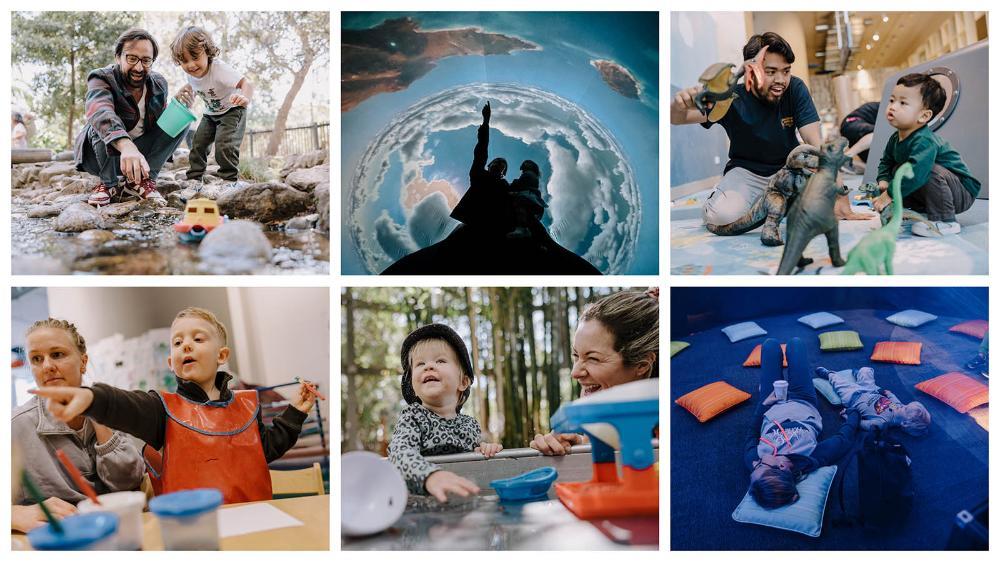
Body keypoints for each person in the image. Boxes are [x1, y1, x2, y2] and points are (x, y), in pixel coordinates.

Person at [30, 307, 316, 505]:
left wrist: (296, 412)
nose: (185, 346)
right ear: (171, 363)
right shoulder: (159, 408)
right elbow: (126, 405)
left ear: (222, 355)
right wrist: (92, 398)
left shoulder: (248, 403)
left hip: (256, 521)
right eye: (177, 342)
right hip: (194, 529)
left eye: (198, 338)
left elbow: (265, 451)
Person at [671, 32, 868, 228]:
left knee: (817, 207)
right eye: (771, 71)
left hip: (789, 171)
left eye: (786, 71)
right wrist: (679, 105)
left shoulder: (795, 88)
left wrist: (839, 192)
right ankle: (732, 197)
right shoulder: (730, 98)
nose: (781, 80)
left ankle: (777, 203)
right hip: (747, 173)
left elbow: (815, 143)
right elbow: (679, 118)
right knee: (720, 217)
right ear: (750, 70)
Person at [12, 319, 144, 533]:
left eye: (57, 354)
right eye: (36, 359)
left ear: (83, 362)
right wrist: (14, 514)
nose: (47, 366)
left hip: (116, 532)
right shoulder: (15, 427)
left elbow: (128, 482)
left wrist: (99, 416)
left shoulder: (110, 409)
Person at [530, 288, 659, 455]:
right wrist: (580, 445)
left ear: (641, 365)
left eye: (593, 359)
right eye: (576, 355)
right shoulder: (603, 425)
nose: (575, 373)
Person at [389, 324, 503, 503]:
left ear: (463, 382)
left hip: (464, 501)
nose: (429, 366)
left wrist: (486, 449)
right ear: (412, 386)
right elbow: (399, 453)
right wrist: (429, 476)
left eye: (440, 361)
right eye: (420, 364)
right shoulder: (412, 417)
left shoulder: (470, 424)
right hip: (421, 505)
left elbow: (475, 459)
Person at [744, 338, 861, 509]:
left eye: (753, 470)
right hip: (803, 399)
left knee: (769, 346)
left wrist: (765, 403)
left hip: (772, 401)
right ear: (782, 466)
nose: (754, 464)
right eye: (759, 466)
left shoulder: (753, 458)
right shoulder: (811, 456)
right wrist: (853, 414)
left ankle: (764, 388)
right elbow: (844, 440)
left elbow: (752, 431)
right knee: (796, 343)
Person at [76, 28, 186, 207]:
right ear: (118, 57)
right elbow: (100, 111)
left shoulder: (159, 84)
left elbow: (161, 124)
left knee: (181, 118)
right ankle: (108, 183)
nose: (138, 67)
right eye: (132, 58)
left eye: (146, 60)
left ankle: (141, 180)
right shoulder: (101, 77)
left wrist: (178, 106)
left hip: (139, 155)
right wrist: (126, 145)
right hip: (101, 154)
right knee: (97, 123)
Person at [872, 73, 981, 237]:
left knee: (923, 171)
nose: (893, 106)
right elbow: (886, 162)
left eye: (903, 103)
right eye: (892, 100)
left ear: (924, 116)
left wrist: (890, 194)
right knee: (897, 170)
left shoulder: (924, 140)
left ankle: (946, 221)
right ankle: (923, 211)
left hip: (961, 193)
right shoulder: (896, 138)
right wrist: (884, 180)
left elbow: (917, 173)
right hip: (939, 190)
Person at [170, 26, 254, 189]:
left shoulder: (219, 69)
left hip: (232, 110)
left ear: (207, 52)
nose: (191, 65)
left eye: (195, 57)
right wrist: (185, 90)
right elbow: (196, 84)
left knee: (224, 144)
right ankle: (194, 178)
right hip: (210, 113)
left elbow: (246, 83)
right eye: (184, 61)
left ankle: (229, 180)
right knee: (198, 143)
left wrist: (244, 97)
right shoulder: (191, 74)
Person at [450, 101, 513, 233]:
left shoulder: (505, 186)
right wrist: (486, 121)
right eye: (496, 161)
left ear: (503, 172)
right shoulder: (479, 174)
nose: (498, 164)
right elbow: (482, 149)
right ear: (489, 165)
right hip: (471, 222)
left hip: (493, 227)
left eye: (502, 165)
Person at [816, 366, 930, 435]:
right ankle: (859, 375)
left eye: (905, 408)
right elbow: (895, 401)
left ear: (904, 423)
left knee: (840, 382)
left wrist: (847, 417)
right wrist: (890, 394)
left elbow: (862, 424)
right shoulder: (898, 408)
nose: (902, 405)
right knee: (867, 370)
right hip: (871, 391)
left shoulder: (882, 422)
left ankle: (829, 374)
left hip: (853, 397)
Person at [507, 159, 548, 239]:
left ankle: (522, 228)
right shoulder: (533, 176)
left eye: (527, 163)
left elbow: (519, 184)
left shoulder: (528, 174)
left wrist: (511, 185)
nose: (524, 164)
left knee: (519, 207)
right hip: (532, 199)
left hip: (527, 197)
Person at [839, 101, 879, 173]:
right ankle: (846, 158)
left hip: (855, 134)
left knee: (873, 165)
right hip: (852, 122)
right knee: (880, 133)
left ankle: (849, 165)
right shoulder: (887, 107)